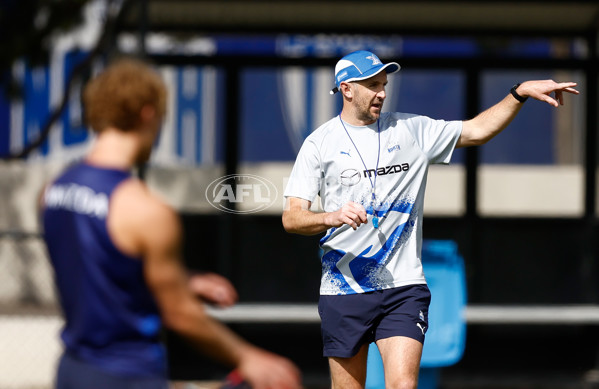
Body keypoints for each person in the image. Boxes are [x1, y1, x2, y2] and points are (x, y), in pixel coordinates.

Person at [282, 50, 578, 389]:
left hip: (403, 287)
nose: (381, 92)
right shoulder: (318, 144)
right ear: (346, 89)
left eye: (384, 84)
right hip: (343, 287)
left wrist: (518, 93)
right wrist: (331, 216)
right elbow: (292, 218)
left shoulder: (411, 130)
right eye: (372, 85)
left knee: (404, 385)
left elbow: (477, 131)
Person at [40, 58, 302, 389]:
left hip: (73, 371)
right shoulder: (145, 210)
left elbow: (95, 266)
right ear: (148, 113)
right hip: (128, 376)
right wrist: (249, 358)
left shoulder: (53, 190)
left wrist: (183, 280)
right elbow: (179, 313)